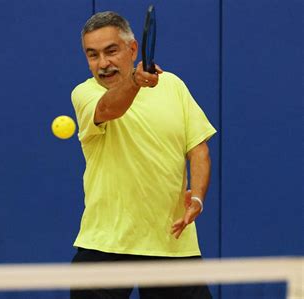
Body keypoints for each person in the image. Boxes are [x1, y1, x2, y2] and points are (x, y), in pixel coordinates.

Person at [70, 11, 216, 299]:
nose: (103, 63)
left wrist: (197, 197)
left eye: (111, 51)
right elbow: (110, 109)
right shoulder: (85, 94)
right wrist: (135, 82)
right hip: (106, 241)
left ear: (133, 48)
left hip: (172, 240)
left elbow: (198, 147)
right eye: (93, 55)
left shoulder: (172, 85)